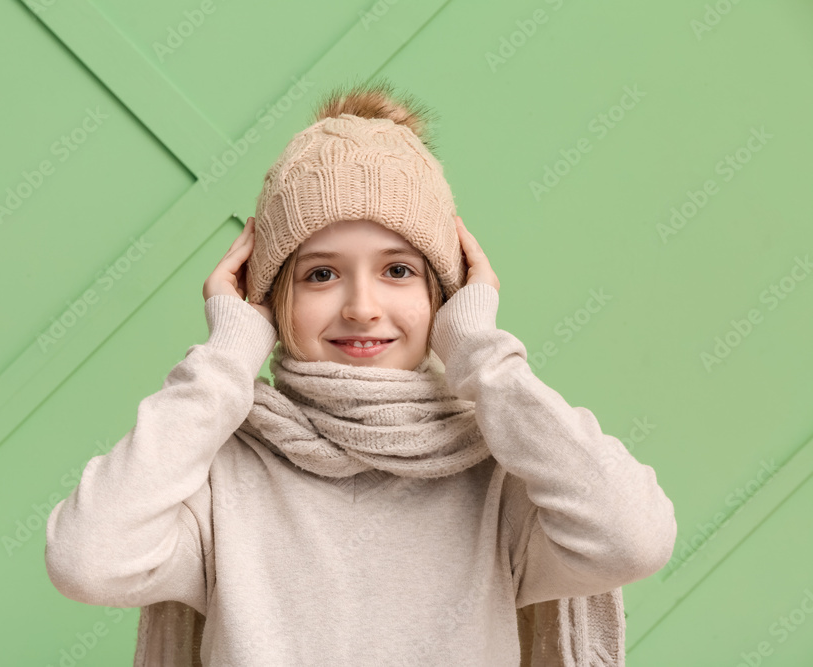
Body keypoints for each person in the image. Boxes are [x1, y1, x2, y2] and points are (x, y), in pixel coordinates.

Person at [44, 79, 677, 666]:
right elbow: (88, 560)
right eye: (320, 273)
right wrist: (224, 359)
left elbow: (633, 538)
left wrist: (481, 352)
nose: (362, 306)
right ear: (267, 298)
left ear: (444, 295)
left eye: (398, 270)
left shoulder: (504, 475)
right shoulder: (214, 476)